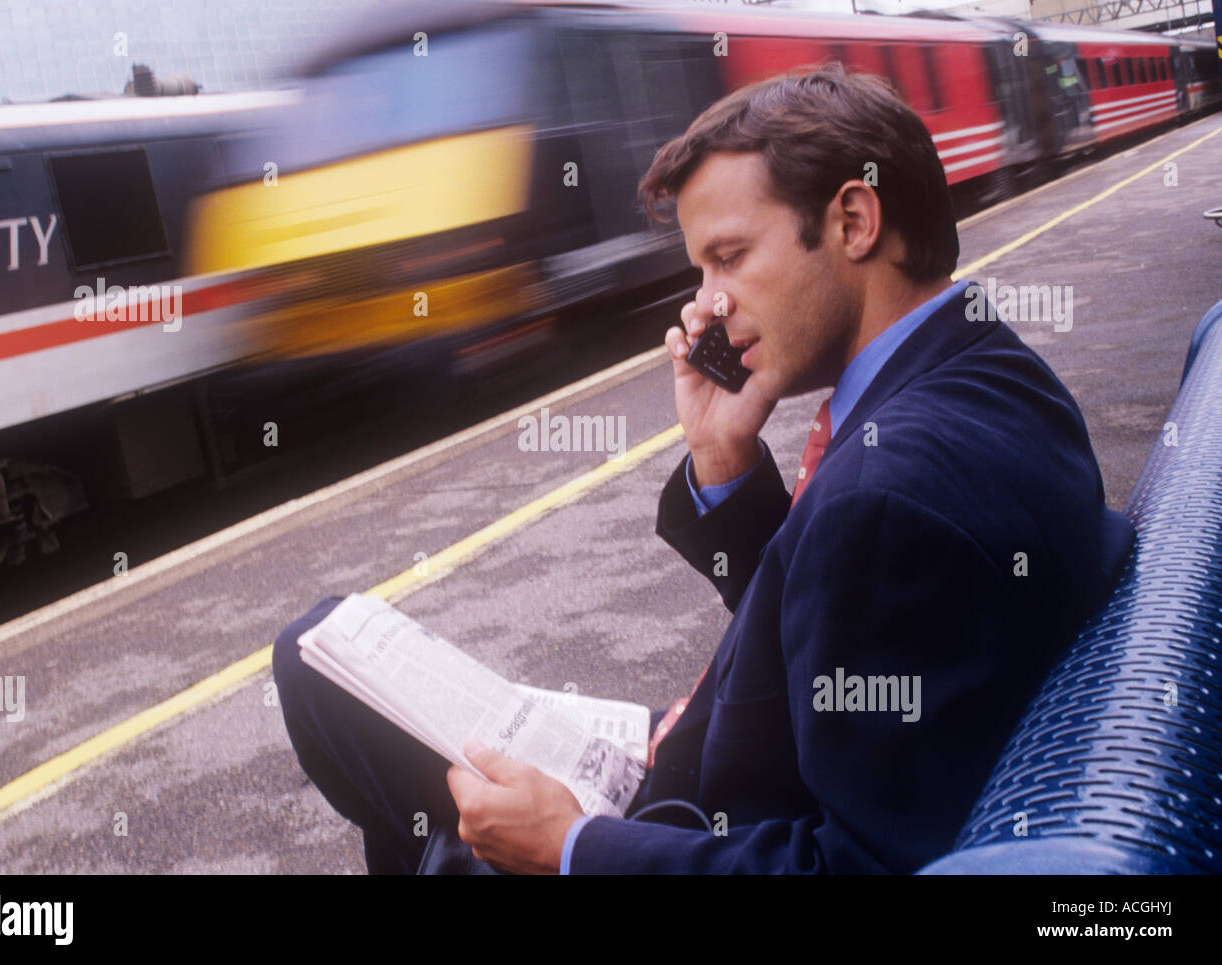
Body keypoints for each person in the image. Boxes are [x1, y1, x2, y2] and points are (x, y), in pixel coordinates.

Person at [272, 63, 1134, 874]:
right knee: (324, 660)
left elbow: (853, 864)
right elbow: (853, 629)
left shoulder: (888, 496)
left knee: (323, 677)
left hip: (688, 823)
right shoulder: (987, 367)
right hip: (714, 770)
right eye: (701, 270)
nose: (706, 307)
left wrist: (571, 847)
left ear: (854, 221)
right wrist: (723, 456)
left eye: (728, 257)